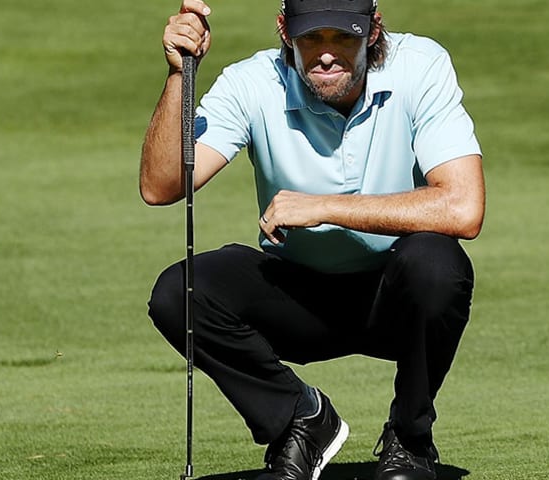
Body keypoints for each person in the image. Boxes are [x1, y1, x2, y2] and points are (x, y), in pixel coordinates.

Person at [140, 0, 485, 479]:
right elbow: (160, 186)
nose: (326, 54)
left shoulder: (420, 66)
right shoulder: (252, 82)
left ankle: (410, 438)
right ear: (285, 31)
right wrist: (179, 75)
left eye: (343, 37)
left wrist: (323, 207)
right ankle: (300, 420)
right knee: (180, 292)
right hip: (297, 296)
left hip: (394, 297)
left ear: (373, 30)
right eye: (310, 39)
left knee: (436, 261)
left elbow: (464, 209)